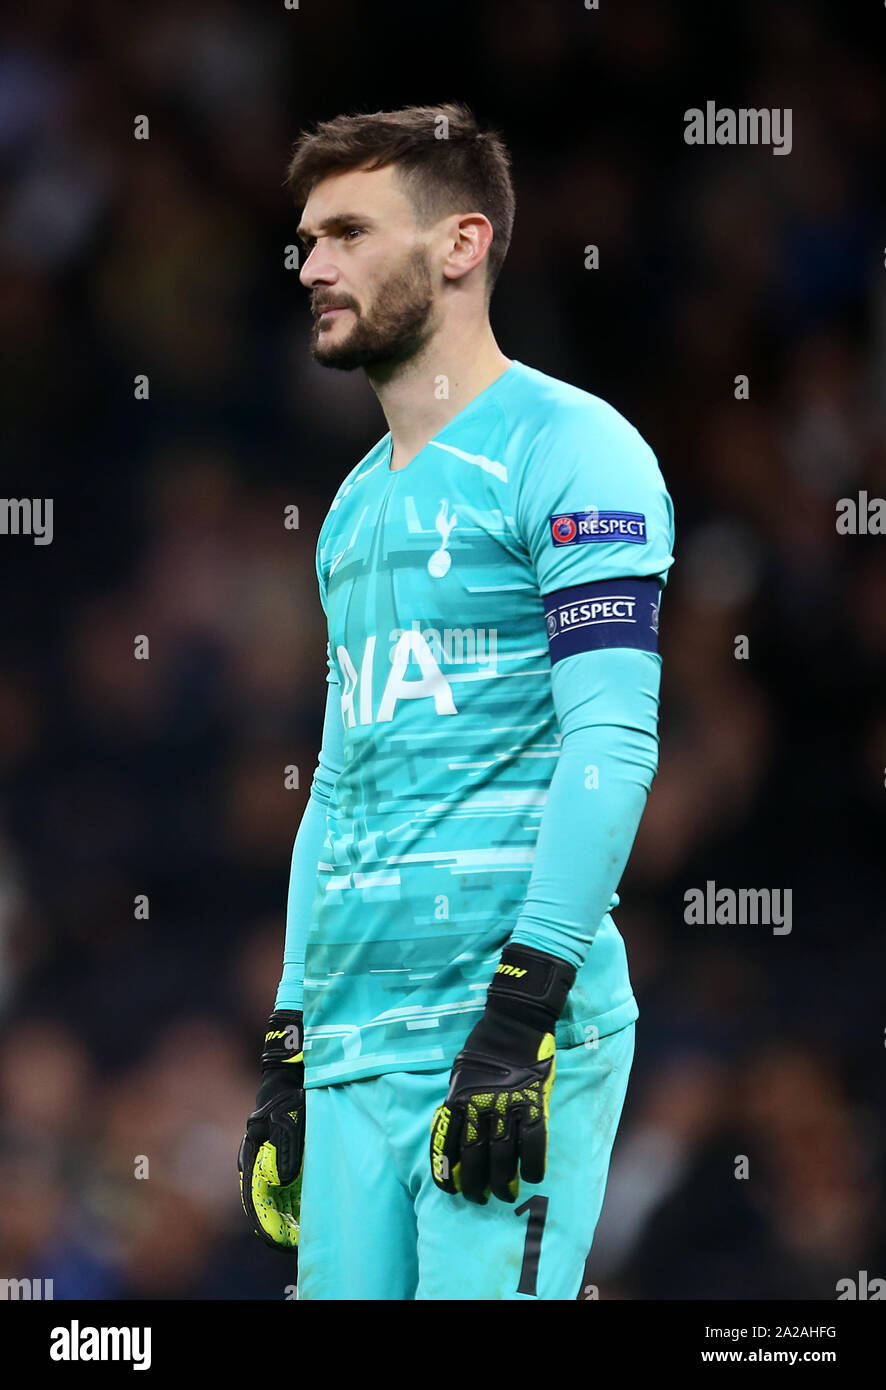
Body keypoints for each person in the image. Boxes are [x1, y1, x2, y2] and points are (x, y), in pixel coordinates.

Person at [238, 100, 674, 1300]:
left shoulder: (574, 451)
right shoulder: (349, 509)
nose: (313, 264)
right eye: (309, 238)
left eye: (348, 233)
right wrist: (290, 1040)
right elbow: (339, 782)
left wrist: (520, 1011)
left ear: (460, 244)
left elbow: (611, 736)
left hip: (506, 1039)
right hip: (354, 1052)